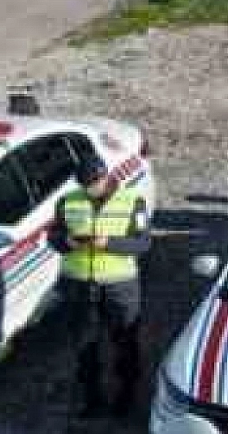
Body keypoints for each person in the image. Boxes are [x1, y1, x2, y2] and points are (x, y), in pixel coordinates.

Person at [48, 155, 151, 418]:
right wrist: (69, 242)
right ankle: (91, 398)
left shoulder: (132, 200)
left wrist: (109, 243)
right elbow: (54, 238)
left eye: (94, 182)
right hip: (79, 285)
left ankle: (126, 396)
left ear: (105, 177)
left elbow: (142, 244)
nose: (89, 189)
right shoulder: (68, 201)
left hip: (120, 286)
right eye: (84, 184)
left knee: (125, 343)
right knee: (85, 345)